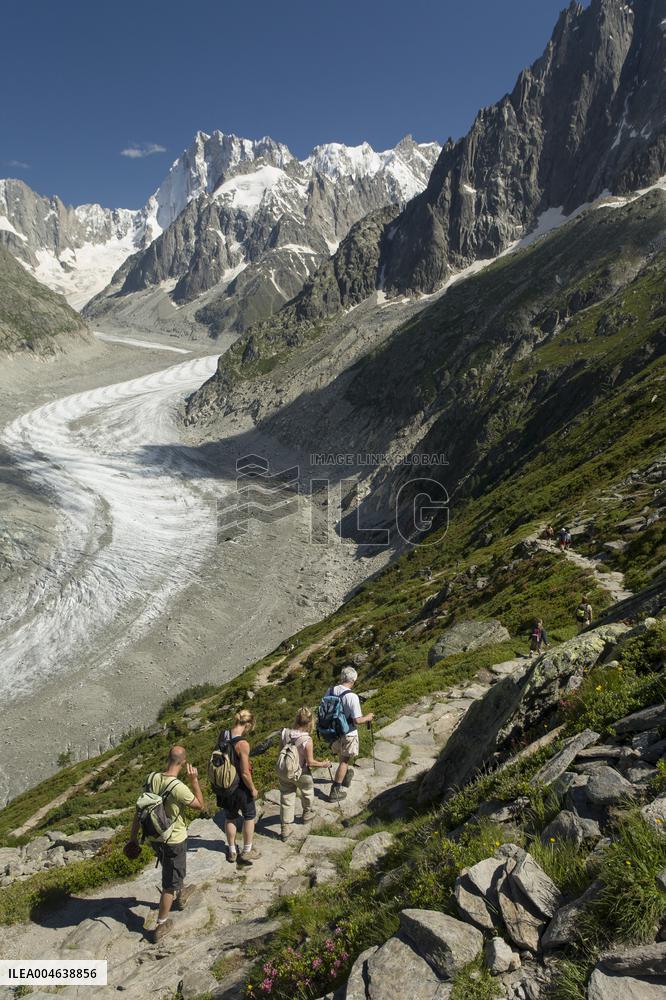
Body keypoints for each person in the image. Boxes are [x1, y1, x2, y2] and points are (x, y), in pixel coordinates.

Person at [128, 745, 204, 943]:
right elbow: (199, 805)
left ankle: (180, 889)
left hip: (154, 836)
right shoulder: (178, 787)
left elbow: (139, 808)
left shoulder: (151, 778)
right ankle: (161, 925)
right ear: (183, 762)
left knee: (171, 869)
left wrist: (133, 837)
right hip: (174, 839)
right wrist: (194, 781)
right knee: (168, 884)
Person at [278, 707, 331, 841]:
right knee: (307, 792)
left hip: (285, 770)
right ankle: (307, 813)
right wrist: (324, 764)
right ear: (310, 723)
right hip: (301, 772)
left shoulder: (285, 733)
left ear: (296, 719)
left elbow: (281, 751)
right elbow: (310, 762)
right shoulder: (307, 740)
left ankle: (285, 827)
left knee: (286, 797)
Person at [217, 709, 262, 866]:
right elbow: (244, 772)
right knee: (249, 816)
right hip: (239, 787)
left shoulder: (223, 735)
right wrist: (253, 789)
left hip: (224, 786)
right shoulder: (243, 744)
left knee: (230, 817)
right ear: (247, 724)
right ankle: (247, 851)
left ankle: (231, 851)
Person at [326, 666, 374, 802]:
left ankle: (345, 776)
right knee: (345, 760)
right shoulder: (352, 696)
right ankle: (335, 791)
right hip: (348, 732)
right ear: (353, 679)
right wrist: (369, 717)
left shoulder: (330, 690)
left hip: (333, 731)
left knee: (342, 755)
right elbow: (358, 720)